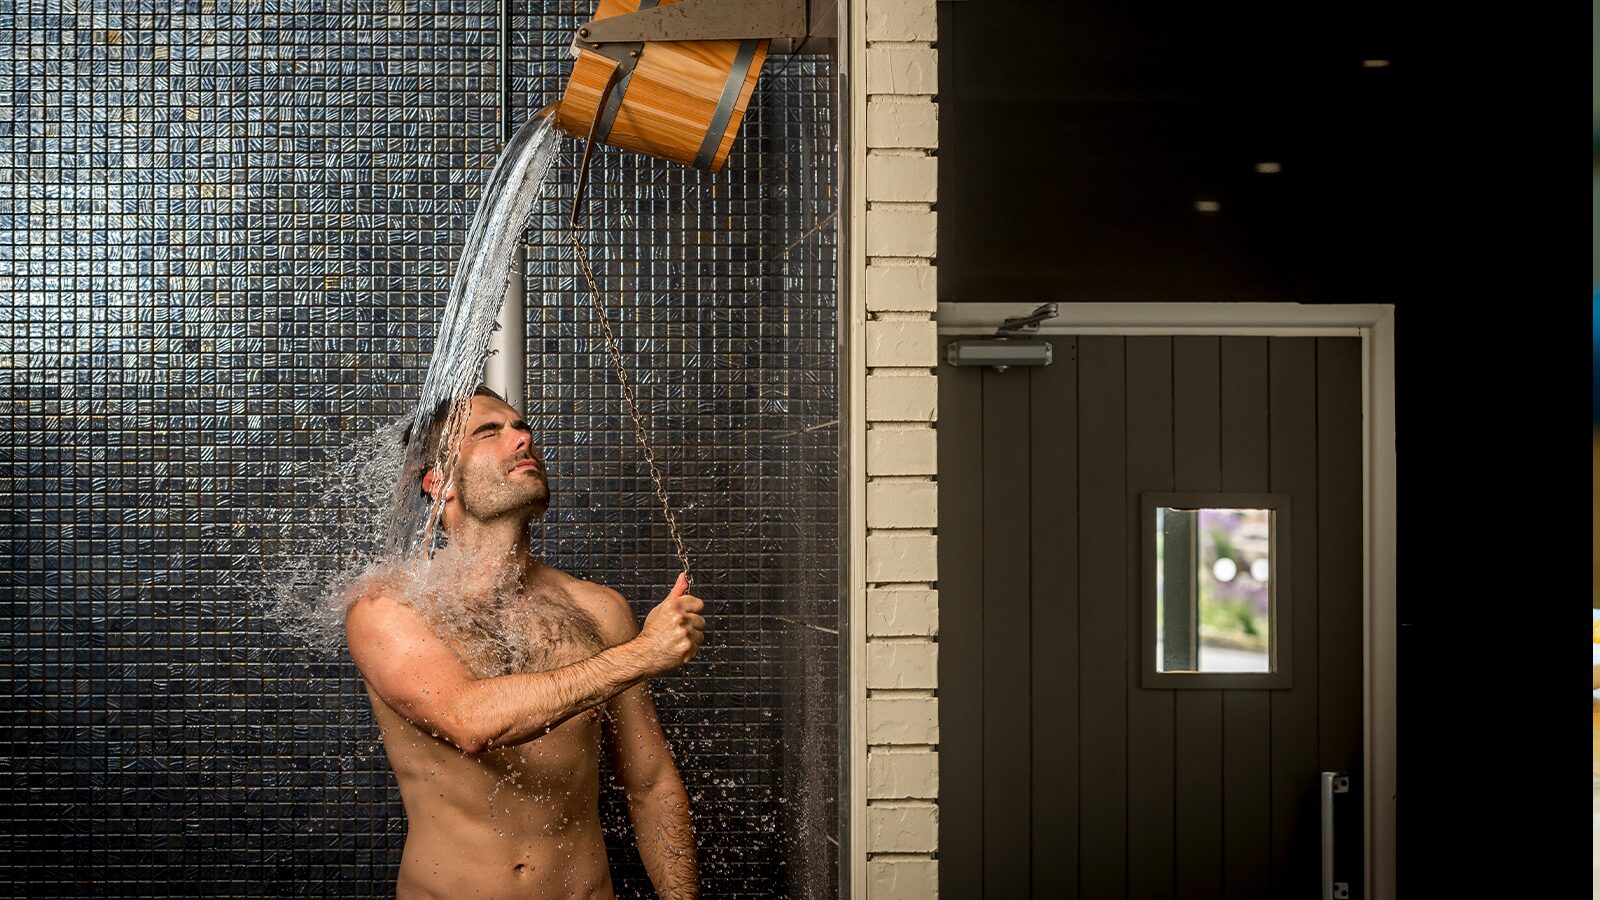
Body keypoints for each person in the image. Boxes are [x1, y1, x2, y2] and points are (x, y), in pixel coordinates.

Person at [344, 384, 705, 899]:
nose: (521, 438)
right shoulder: (388, 609)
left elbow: (649, 784)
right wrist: (643, 655)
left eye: (521, 427)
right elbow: (471, 720)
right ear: (438, 482)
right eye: (490, 432)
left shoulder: (598, 610)